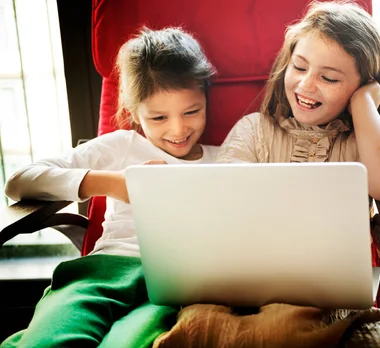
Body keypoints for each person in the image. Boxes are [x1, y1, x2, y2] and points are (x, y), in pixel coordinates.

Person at [1, 26, 218, 348]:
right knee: (51, 339)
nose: (178, 129)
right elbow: (19, 182)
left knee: (128, 342)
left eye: (192, 111)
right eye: (158, 118)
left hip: (177, 283)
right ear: (134, 113)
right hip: (107, 269)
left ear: (206, 98)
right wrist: (114, 184)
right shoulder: (121, 146)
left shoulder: (227, 158)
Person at [217, 0, 380, 203]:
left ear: (363, 86)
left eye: (329, 78)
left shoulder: (369, 144)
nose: (306, 85)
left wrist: (363, 104)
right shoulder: (253, 131)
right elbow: (222, 197)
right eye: (299, 67)